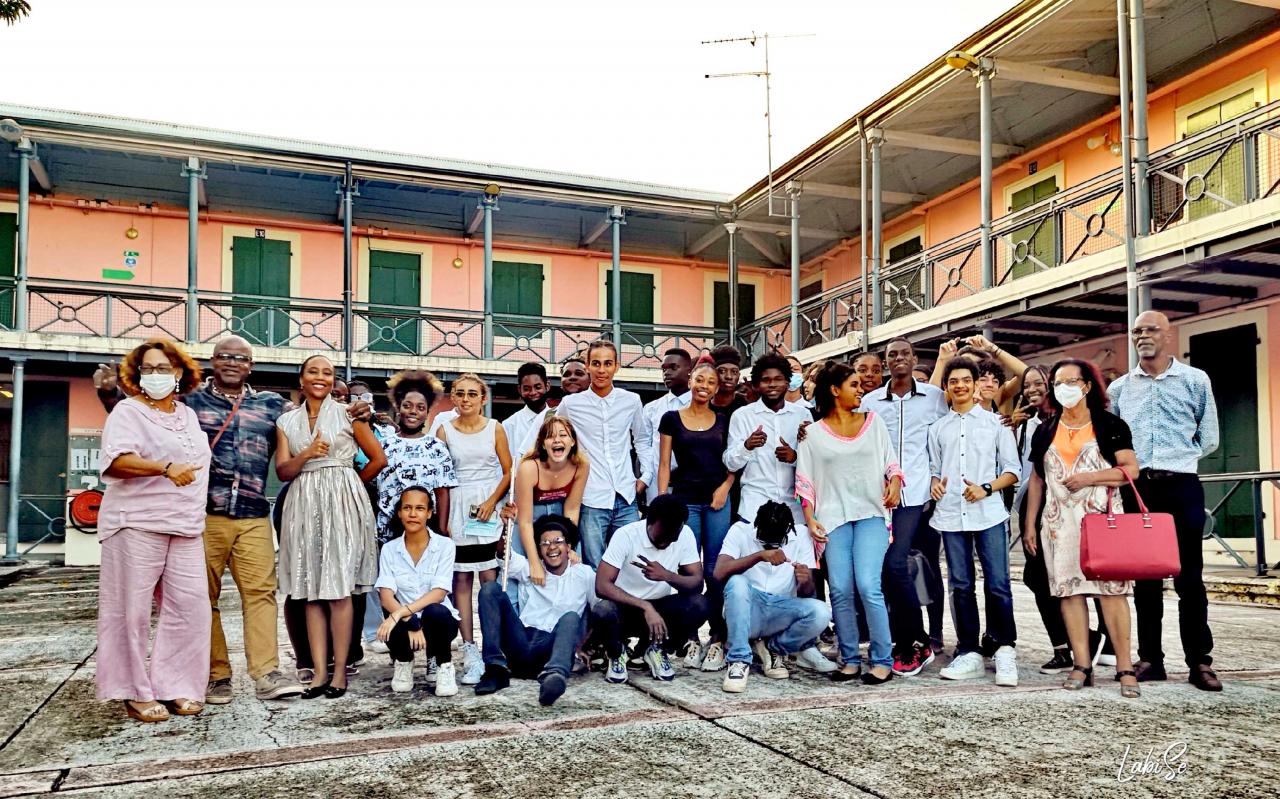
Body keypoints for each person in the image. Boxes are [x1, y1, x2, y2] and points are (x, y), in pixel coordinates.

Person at [96, 339, 213, 722]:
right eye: (147, 368)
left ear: (178, 373)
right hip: (136, 522)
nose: (155, 375)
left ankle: (175, 685)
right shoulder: (127, 411)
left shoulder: (187, 415)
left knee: (190, 609)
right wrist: (163, 467)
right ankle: (133, 691)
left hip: (185, 525)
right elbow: (116, 462)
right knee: (129, 613)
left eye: (163, 368)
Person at [1108, 310, 1221, 692]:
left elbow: (1209, 436)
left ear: (1168, 336)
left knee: (1190, 577)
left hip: (1181, 485)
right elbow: (1114, 442)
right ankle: (1150, 659)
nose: (1143, 336)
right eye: (1136, 331)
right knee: (1145, 579)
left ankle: (1199, 661)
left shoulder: (1195, 380)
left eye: (1151, 330)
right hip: (1139, 489)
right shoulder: (1120, 389)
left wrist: (1178, 459)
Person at [192, 337, 305, 705]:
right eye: (225, 356)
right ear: (213, 361)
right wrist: (110, 396)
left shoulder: (271, 404)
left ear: (250, 365)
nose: (232, 362)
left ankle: (266, 672)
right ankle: (216, 675)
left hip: (253, 514)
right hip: (204, 515)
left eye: (240, 358)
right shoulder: (190, 401)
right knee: (202, 597)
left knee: (260, 594)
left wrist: (357, 411)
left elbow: (311, 416)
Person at [1025, 359, 1141, 698]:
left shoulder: (1109, 424)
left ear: (1087, 385)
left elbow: (1130, 470)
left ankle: (1124, 667)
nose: (1063, 388)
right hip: (1058, 524)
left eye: (1071, 381)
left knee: (1112, 593)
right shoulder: (1046, 428)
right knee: (1069, 593)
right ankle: (1081, 664)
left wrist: (1091, 477)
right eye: (1057, 382)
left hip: (1102, 521)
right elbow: (1037, 479)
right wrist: (1030, 523)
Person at [275, 354, 386, 699]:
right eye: (313, 371)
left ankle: (339, 672)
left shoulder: (349, 413)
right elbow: (282, 471)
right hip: (303, 501)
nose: (320, 377)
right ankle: (319, 671)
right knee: (310, 589)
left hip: (342, 500)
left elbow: (379, 458)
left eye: (327, 372)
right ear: (301, 379)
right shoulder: (286, 421)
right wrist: (307, 454)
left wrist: (350, 484)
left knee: (339, 589)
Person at [724, 351, 834, 675]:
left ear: (789, 382)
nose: (772, 385)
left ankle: (803, 645)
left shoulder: (803, 414)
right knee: (752, 574)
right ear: (756, 384)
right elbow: (729, 462)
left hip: (795, 509)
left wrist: (795, 456)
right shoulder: (743, 415)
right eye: (765, 380)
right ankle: (747, 639)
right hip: (754, 507)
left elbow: (817, 461)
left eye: (778, 379)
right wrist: (746, 446)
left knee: (801, 573)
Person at [796, 360, 903, 685]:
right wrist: (810, 519)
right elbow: (805, 482)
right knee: (840, 590)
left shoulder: (874, 422)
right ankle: (850, 660)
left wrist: (895, 483)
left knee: (868, 586)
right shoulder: (811, 434)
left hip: (872, 514)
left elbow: (891, 462)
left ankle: (882, 660)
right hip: (832, 519)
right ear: (834, 390)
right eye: (854, 385)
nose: (861, 390)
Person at [929, 357, 1021, 687]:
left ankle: (1004, 647)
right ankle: (968, 651)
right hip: (951, 514)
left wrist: (986, 488)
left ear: (975, 383)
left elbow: (1013, 471)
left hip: (989, 513)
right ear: (947, 387)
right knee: (960, 584)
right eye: (954, 381)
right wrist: (934, 483)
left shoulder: (996, 424)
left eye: (966, 380)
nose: (960, 386)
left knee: (997, 583)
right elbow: (934, 468)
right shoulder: (938, 428)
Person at [860, 337, 949, 677]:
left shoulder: (934, 398)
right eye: (892, 354)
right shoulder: (870, 402)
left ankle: (919, 640)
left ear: (914, 359)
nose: (898, 358)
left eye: (904, 353)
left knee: (897, 563)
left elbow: (944, 439)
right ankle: (900, 640)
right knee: (884, 568)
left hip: (916, 495)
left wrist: (938, 480)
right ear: (886, 362)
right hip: (878, 495)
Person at [368, 370, 458, 660]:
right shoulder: (384, 444)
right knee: (392, 590)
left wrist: (442, 527)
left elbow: (443, 491)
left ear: (428, 410)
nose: (413, 412)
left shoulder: (437, 447)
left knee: (429, 591)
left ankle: (434, 654)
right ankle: (402, 656)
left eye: (420, 407)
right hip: (389, 530)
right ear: (398, 406)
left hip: (425, 528)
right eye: (407, 405)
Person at [434, 373, 514, 686]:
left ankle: (494, 648)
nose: (466, 399)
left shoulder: (496, 428)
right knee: (461, 581)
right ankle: (470, 650)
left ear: (483, 398)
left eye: (472, 394)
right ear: (453, 397)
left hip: (487, 509)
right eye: (460, 393)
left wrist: (492, 503)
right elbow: (441, 478)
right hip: (457, 508)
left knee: (489, 580)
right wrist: (442, 521)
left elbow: (508, 471)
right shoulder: (444, 430)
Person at [657, 361, 735, 671]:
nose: (704, 386)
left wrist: (725, 488)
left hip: (717, 501)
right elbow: (664, 464)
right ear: (690, 381)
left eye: (711, 382)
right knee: (689, 568)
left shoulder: (724, 420)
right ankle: (689, 637)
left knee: (716, 570)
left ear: (717, 389)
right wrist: (662, 500)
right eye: (700, 379)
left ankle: (717, 636)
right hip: (684, 500)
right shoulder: (671, 419)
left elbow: (733, 461)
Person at [475, 515, 596, 706]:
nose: (552, 547)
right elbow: (504, 555)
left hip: (550, 650)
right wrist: (506, 527)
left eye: (558, 541)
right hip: (521, 641)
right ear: (539, 550)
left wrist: (583, 644)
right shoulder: (530, 568)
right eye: (545, 543)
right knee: (490, 589)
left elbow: (598, 609)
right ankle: (495, 669)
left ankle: (554, 678)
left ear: (569, 547)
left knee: (571, 617)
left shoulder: (584, 574)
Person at [591, 495, 709, 683]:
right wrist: (645, 606)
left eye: (673, 536)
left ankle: (654, 648)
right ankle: (616, 652)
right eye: (663, 535)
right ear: (649, 522)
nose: (667, 540)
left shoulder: (685, 534)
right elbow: (601, 585)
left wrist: (667, 575)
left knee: (699, 604)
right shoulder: (626, 535)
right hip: (626, 609)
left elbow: (697, 583)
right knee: (603, 610)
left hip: (660, 611)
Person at [715, 502, 830, 693]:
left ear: (788, 530)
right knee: (736, 582)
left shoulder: (801, 534)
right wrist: (759, 555)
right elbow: (719, 572)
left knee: (821, 612)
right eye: (765, 540)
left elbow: (807, 592)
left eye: (778, 542)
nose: (771, 546)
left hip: (780, 610)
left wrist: (806, 580)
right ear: (757, 526)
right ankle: (739, 660)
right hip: (749, 611)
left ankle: (774, 648)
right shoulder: (740, 530)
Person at [557, 339, 651, 567]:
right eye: (596, 363)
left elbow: (642, 439)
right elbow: (555, 440)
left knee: (631, 562)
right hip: (591, 498)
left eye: (608, 363)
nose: (602, 370)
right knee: (594, 565)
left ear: (616, 366)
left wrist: (645, 477)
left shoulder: (631, 401)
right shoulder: (570, 404)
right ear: (587, 366)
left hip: (626, 495)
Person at [374, 487, 461, 697]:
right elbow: (386, 596)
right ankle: (404, 661)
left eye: (420, 508)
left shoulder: (445, 545)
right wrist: (410, 621)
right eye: (407, 508)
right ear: (399, 512)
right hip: (405, 625)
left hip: (438, 622)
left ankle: (443, 664)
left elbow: (439, 593)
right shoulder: (389, 549)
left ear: (429, 513)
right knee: (390, 616)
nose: (413, 514)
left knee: (435, 611)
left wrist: (400, 613)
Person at [514, 416, 590, 573]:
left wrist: (570, 547)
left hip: (560, 518)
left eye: (563, 435)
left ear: (573, 441)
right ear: (543, 444)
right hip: (529, 519)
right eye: (550, 436)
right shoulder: (529, 468)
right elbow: (525, 521)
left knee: (573, 566)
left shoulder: (581, 465)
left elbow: (572, 509)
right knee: (520, 570)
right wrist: (534, 563)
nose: (557, 440)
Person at [640, 348, 693, 504]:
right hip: (656, 487)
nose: (667, 373)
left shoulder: (700, 407)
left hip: (691, 487)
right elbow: (644, 446)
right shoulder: (651, 408)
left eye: (673, 367)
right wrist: (645, 476)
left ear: (689, 370)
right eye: (664, 369)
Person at [931, 334, 1028, 413]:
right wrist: (942, 360)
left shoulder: (995, 391)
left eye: (976, 368)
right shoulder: (953, 394)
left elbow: (1026, 374)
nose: (969, 372)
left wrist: (994, 349)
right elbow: (929, 399)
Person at [502, 362, 552, 462]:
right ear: (519, 390)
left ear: (547, 386)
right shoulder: (509, 425)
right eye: (527, 389)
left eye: (538, 387)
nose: (533, 392)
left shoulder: (559, 418)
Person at [709, 345, 748, 420]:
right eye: (722, 371)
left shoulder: (746, 405)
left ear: (739, 376)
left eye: (734, 372)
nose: (729, 376)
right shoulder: (703, 405)